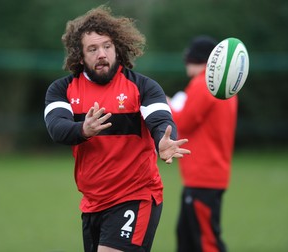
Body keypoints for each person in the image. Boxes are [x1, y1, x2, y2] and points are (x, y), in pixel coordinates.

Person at [43, 6, 190, 252]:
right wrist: (83, 129)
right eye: (93, 49)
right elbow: (57, 128)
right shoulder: (62, 90)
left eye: (107, 46)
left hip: (136, 195)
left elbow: (160, 119)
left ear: (117, 50)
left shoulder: (143, 87)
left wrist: (164, 141)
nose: (102, 54)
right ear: (80, 56)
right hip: (93, 203)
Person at [167, 35, 238, 252]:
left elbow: (182, 122)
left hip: (203, 175)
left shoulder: (204, 83)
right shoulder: (222, 82)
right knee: (187, 238)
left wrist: (167, 105)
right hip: (208, 174)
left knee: (206, 242)